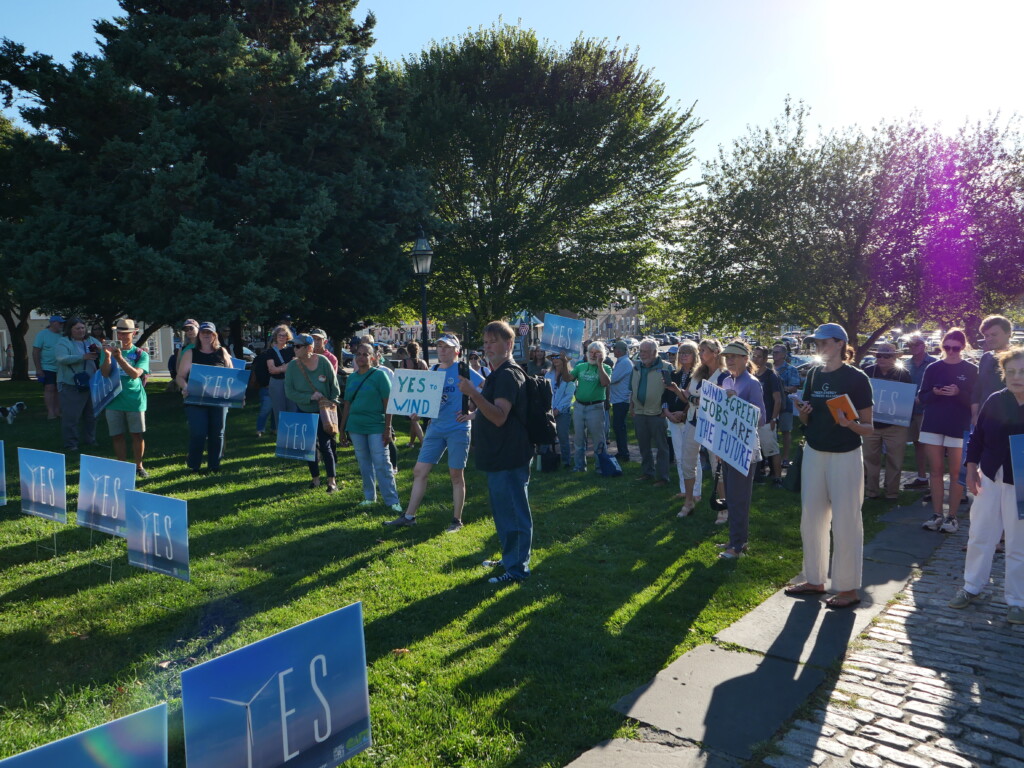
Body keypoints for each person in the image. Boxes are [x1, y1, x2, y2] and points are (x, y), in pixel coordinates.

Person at [785, 323, 873, 609]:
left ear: (839, 344)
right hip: (814, 451)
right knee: (811, 518)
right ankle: (814, 579)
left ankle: (848, 588)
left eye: (824, 342)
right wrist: (804, 413)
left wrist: (851, 424)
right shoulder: (812, 374)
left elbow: (869, 427)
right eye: (816, 342)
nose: (818, 347)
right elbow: (807, 420)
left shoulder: (856, 378)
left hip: (845, 454)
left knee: (846, 521)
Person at [949, 347, 1024, 624]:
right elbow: (977, 437)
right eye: (1012, 371)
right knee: (981, 535)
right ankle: (972, 586)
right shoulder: (995, 400)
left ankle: (1017, 600)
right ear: (1004, 374)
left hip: (1023, 481)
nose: (1018, 377)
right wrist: (970, 468)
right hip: (989, 475)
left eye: (1023, 371)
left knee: (1019, 542)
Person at [457, 321, 533, 584]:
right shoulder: (498, 374)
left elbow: (500, 417)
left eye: (493, 341)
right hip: (500, 454)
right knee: (504, 511)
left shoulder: (507, 375)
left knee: (513, 511)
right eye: (485, 342)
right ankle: (511, 558)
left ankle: (517, 569)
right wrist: (473, 410)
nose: (487, 347)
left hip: (509, 455)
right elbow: (493, 411)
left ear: (509, 344)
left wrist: (473, 395)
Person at [385, 334, 485, 531]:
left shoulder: (463, 370)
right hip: (435, 428)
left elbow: (489, 390)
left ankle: (457, 521)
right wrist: (416, 413)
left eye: (446, 347)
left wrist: (474, 414)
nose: (442, 350)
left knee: (456, 475)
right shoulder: (433, 370)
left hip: (458, 428)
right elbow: (424, 402)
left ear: (456, 350)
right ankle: (409, 516)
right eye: (439, 346)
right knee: (419, 471)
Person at [918, 328, 978, 533]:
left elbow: (975, 400)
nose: (951, 351)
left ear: (963, 347)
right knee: (934, 471)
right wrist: (935, 393)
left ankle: (951, 517)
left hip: (959, 425)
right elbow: (922, 397)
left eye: (955, 348)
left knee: (955, 473)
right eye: (947, 347)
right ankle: (936, 514)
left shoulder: (971, 369)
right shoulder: (933, 368)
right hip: (933, 423)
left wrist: (958, 392)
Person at [716, 340, 767, 559]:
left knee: (739, 497)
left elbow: (761, 418)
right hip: (727, 446)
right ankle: (735, 540)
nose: (730, 360)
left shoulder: (752, 383)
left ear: (746, 359)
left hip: (744, 449)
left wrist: (737, 404)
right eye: (727, 356)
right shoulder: (727, 380)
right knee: (732, 496)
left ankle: (737, 545)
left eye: (734, 356)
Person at [340, 343, 401, 512]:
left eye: (365, 354)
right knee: (364, 463)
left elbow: (388, 403)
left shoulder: (380, 376)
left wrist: (387, 427)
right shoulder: (352, 378)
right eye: (358, 354)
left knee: (382, 462)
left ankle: (392, 500)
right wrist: (342, 428)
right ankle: (369, 497)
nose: (361, 357)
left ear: (373, 357)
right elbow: (347, 404)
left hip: (376, 425)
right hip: (355, 426)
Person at [285, 333, 341, 492]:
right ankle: (315, 479)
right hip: (303, 410)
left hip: (324, 411)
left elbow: (334, 386)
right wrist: (309, 397)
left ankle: (332, 481)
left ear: (309, 348)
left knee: (326, 445)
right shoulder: (292, 367)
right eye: (293, 346)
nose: (294, 349)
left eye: (297, 346)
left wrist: (329, 403)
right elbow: (289, 392)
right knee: (308, 447)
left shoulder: (323, 361)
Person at [174, 322, 232, 473]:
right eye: (203, 332)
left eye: (210, 333)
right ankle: (194, 465)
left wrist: (238, 395)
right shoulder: (190, 353)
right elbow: (180, 377)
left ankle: (214, 466)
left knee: (217, 433)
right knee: (198, 432)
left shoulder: (222, 352)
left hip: (218, 400)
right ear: (199, 335)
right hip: (195, 399)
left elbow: (232, 376)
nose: (206, 335)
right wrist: (185, 387)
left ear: (215, 335)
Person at [861, 342, 913, 500]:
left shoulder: (903, 374)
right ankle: (871, 491)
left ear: (895, 357)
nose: (882, 358)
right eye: (879, 355)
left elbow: (907, 399)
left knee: (895, 461)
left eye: (887, 355)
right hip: (871, 424)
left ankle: (892, 493)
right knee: (870, 460)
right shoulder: (867, 372)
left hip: (896, 425)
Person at [99, 319, 150, 478]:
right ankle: (122, 465)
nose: (121, 336)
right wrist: (107, 357)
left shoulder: (141, 353)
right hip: (113, 399)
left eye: (126, 333)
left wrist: (119, 358)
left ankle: (138, 466)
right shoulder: (108, 349)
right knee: (117, 435)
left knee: (137, 434)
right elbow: (104, 373)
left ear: (133, 333)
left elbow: (135, 374)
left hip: (134, 400)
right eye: (119, 333)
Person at [562, 341, 612, 472]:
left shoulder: (606, 368)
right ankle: (579, 466)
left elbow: (605, 383)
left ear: (603, 354)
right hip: (579, 406)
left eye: (597, 353)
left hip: (595, 407)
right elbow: (567, 378)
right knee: (578, 439)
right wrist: (564, 362)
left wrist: (600, 365)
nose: (593, 355)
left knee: (598, 439)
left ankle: (600, 466)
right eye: (591, 352)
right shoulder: (581, 366)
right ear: (586, 353)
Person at [53, 318, 101, 451]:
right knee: (71, 416)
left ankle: (90, 440)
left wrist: (100, 350)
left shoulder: (90, 340)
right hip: (71, 384)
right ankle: (71, 444)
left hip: (91, 383)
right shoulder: (63, 342)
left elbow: (104, 349)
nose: (81, 331)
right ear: (70, 330)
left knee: (91, 415)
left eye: (83, 328)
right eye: (77, 328)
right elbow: (61, 358)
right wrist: (82, 357)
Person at [630, 338, 672, 486]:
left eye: (646, 351)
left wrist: (665, 410)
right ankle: (647, 472)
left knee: (662, 447)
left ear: (655, 352)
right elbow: (632, 390)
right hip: (640, 412)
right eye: (641, 351)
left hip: (657, 413)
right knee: (643, 445)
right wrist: (632, 408)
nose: (642, 354)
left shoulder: (666, 367)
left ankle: (662, 477)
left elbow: (671, 392)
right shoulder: (636, 367)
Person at [664, 341, 698, 500]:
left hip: (689, 418)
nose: (684, 355)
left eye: (687, 352)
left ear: (694, 355)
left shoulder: (698, 376)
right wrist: (668, 413)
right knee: (679, 456)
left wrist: (683, 413)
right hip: (673, 419)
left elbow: (693, 399)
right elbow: (665, 396)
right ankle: (684, 489)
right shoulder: (674, 374)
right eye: (681, 353)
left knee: (692, 457)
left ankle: (696, 492)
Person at [903, 334, 937, 489]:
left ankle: (934, 480)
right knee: (917, 444)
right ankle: (922, 478)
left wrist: (923, 398)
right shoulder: (905, 364)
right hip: (910, 411)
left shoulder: (934, 363)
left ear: (923, 345)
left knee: (930, 445)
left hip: (928, 410)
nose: (912, 348)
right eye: (910, 345)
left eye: (916, 344)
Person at [751, 346, 784, 487]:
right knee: (755, 450)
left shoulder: (771, 376)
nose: (755, 358)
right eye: (754, 355)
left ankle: (777, 477)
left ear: (765, 359)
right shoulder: (750, 374)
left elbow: (778, 399)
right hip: (752, 419)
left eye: (758, 356)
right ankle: (758, 476)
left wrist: (774, 419)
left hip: (767, 419)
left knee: (771, 449)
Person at [772, 342, 802, 467]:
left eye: (777, 352)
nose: (774, 354)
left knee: (786, 431)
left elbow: (794, 388)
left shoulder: (791, 369)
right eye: (773, 351)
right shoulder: (769, 368)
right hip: (771, 404)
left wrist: (780, 388)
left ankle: (785, 458)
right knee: (771, 432)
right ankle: (771, 459)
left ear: (784, 355)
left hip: (785, 405)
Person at [546, 351, 577, 468]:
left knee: (563, 436)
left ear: (564, 359)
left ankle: (566, 461)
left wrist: (558, 409)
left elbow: (569, 396)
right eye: (553, 357)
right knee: (548, 436)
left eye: (558, 357)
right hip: (549, 410)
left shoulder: (570, 375)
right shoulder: (548, 375)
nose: (555, 359)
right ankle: (547, 459)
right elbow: (546, 392)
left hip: (563, 411)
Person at [33, 315, 65, 419]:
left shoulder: (63, 335)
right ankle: (50, 412)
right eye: (59, 323)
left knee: (58, 389)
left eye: (62, 323)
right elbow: (36, 351)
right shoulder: (42, 334)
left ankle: (57, 410)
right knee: (49, 387)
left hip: (61, 367)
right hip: (47, 367)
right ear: (52, 323)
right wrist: (38, 369)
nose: (61, 325)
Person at [609, 340, 634, 462]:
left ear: (619, 351)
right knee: (618, 427)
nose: (613, 351)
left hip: (622, 399)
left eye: (615, 349)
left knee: (619, 427)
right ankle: (622, 451)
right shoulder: (622, 362)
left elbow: (612, 379)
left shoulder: (624, 363)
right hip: (619, 399)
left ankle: (624, 453)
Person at [402, 341, 430, 448]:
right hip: (421, 393)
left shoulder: (404, 363)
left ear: (408, 351)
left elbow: (402, 379)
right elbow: (427, 379)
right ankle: (411, 442)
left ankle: (423, 443)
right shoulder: (423, 363)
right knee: (413, 419)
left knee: (414, 420)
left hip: (409, 394)